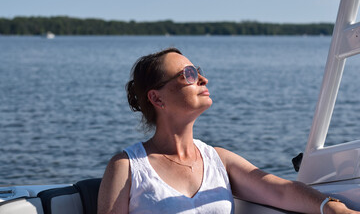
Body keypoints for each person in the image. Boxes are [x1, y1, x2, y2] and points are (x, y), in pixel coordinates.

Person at [97, 47, 359, 214]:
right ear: (157, 99)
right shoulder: (127, 167)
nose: (203, 79)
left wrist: (331, 208)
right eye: (187, 74)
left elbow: (281, 190)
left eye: (198, 71)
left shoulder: (218, 159)